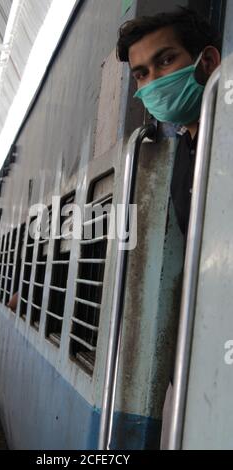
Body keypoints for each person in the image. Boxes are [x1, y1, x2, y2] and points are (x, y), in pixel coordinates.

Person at [116, 7, 221, 448]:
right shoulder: (187, 149)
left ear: (208, 62)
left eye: (165, 61)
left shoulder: (222, 148)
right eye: (141, 74)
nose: (153, 81)